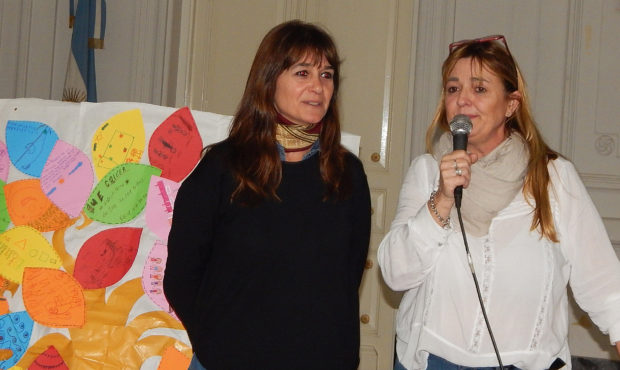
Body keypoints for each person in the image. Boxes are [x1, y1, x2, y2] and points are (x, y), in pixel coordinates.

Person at [378, 35, 620, 369]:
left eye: (479, 89)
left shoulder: (553, 178)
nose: (463, 101)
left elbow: (605, 286)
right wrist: (442, 198)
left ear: (511, 104)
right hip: (433, 360)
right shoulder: (427, 171)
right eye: (452, 89)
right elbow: (394, 273)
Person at [163, 20, 371, 370]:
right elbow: (181, 277)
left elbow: (345, 281)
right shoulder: (221, 168)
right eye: (302, 73)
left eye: (327, 75)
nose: (318, 87)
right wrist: (219, 345)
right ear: (269, 79)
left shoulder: (348, 173)